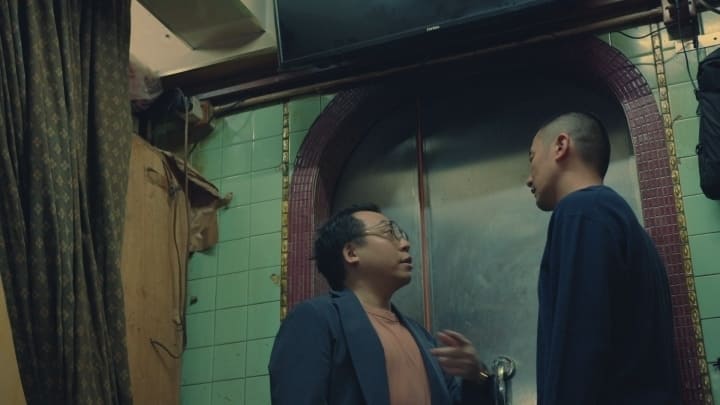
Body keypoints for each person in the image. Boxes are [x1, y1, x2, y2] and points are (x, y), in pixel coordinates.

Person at [526, 112, 681, 404]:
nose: (528, 178)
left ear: (560, 146)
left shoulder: (580, 212)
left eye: (532, 158)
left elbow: (579, 345)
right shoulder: (620, 220)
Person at [269, 203, 493, 405]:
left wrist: (477, 376)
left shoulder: (423, 338)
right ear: (351, 253)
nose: (405, 243)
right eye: (389, 233)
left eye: (402, 235)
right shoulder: (316, 319)